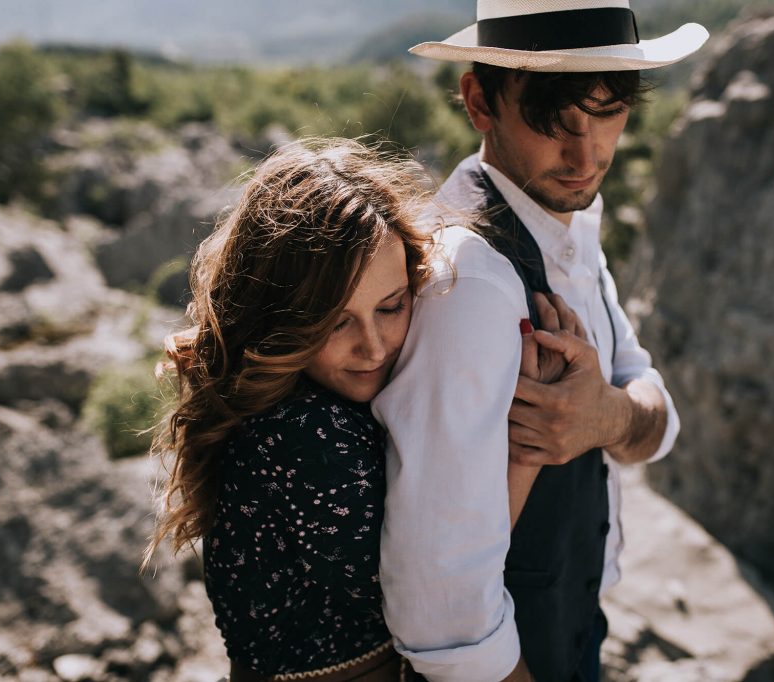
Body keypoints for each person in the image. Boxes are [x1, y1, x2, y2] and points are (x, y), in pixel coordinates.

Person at [142, 138, 581, 680]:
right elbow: (437, 577)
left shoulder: (307, 404)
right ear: (278, 317)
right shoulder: (302, 433)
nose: (372, 347)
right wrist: (527, 453)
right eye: (335, 323)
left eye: (391, 307)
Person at [374, 2, 709, 680]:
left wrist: (607, 417)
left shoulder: (568, 214)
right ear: (479, 102)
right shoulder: (470, 281)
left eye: (609, 111)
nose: (586, 156)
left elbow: (653, 410)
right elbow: (438, 597)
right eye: (553, 119)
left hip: (575, 627)